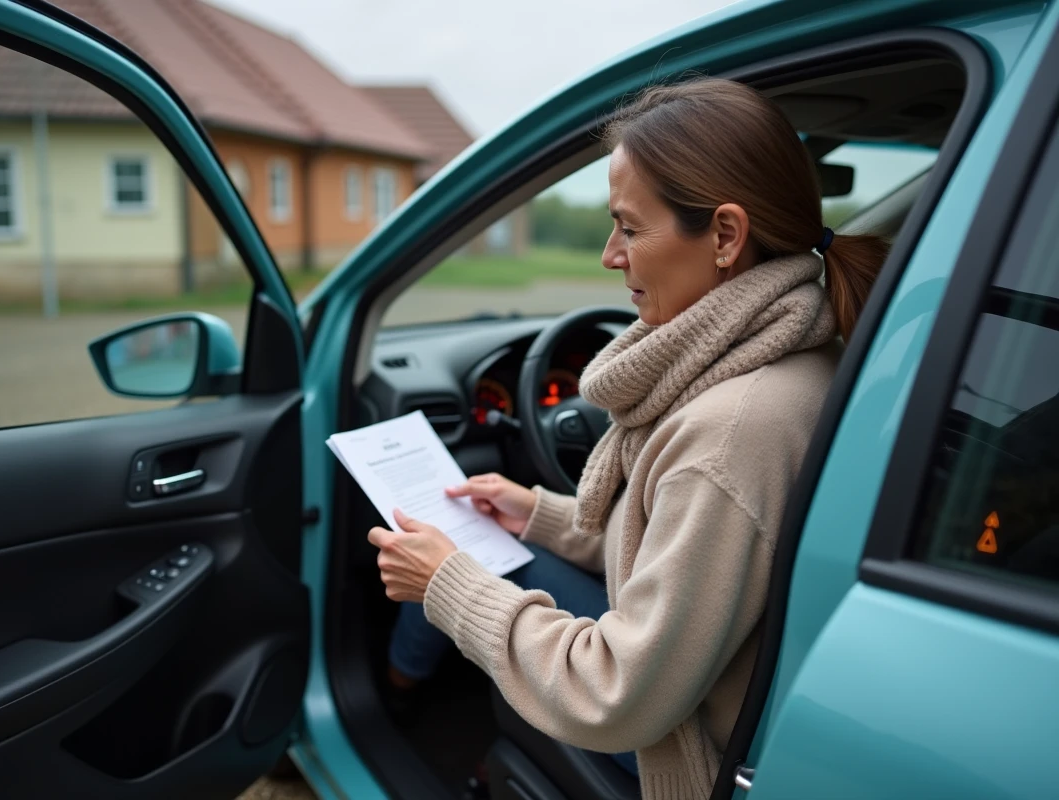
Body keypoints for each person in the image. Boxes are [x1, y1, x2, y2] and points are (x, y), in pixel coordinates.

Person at [368, 77, 888, 798]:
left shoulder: (728, 434)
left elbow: (617, 697)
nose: (611, 255)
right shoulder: (797, 350)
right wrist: (543, 516)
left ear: (726, 236)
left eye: (631, 227)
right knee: (477, 543)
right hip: (720, 692)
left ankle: (387, 705)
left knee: (450, 555)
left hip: (684, 747)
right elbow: (688, 555)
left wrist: (448, 586)